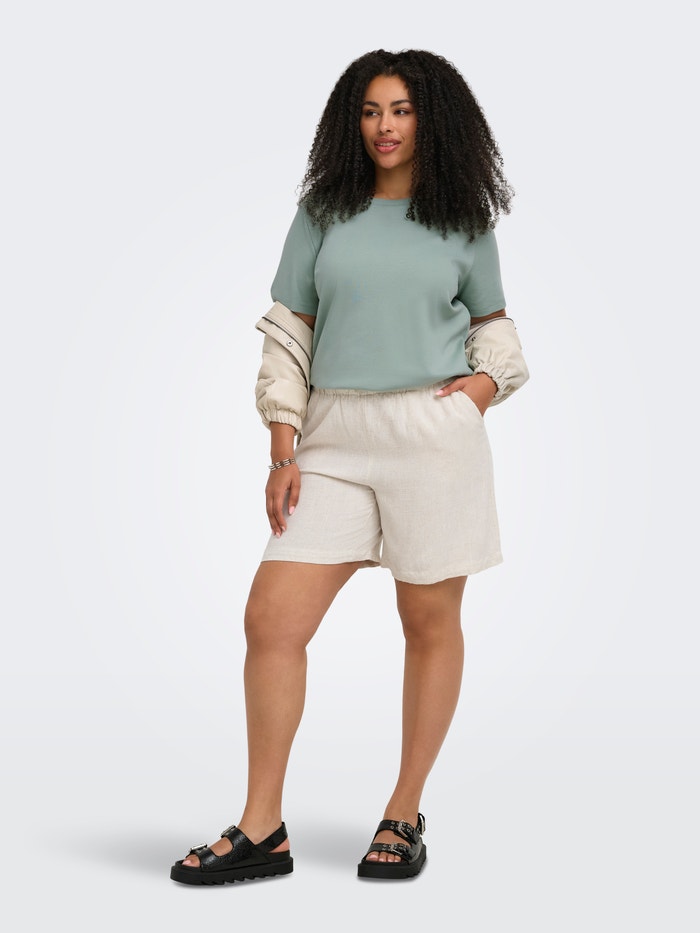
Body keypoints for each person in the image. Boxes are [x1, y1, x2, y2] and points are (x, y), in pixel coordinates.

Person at [170, 48, 528, 885]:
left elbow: (495, 326)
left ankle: (403, 811)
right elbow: (289, 330)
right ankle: (263, 827)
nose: (384, 127)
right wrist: (282, 444)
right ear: (350, 121)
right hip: (332, 434)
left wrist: (478, 390)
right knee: (272, 619)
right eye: (370, 111)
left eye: (400, 110)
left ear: (430, 119)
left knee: (428, 624)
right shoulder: (324, 211)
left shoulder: (463, 220)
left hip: (432, 436)